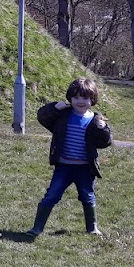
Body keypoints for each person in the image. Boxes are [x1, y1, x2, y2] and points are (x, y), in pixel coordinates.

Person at [26, 77, 113, 238]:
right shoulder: (63, 116)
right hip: (63, 167)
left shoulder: (95, 120)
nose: (80, 101)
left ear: (92, 100)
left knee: (87, 196)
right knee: (51, 195)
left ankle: (92, 228)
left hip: (85, 168)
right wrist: (54, 107)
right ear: (70, 99)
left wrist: (103, 130)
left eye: (85, 98)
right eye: (76, 97)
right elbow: (42, 117)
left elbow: (105, 143)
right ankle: (37, 228)